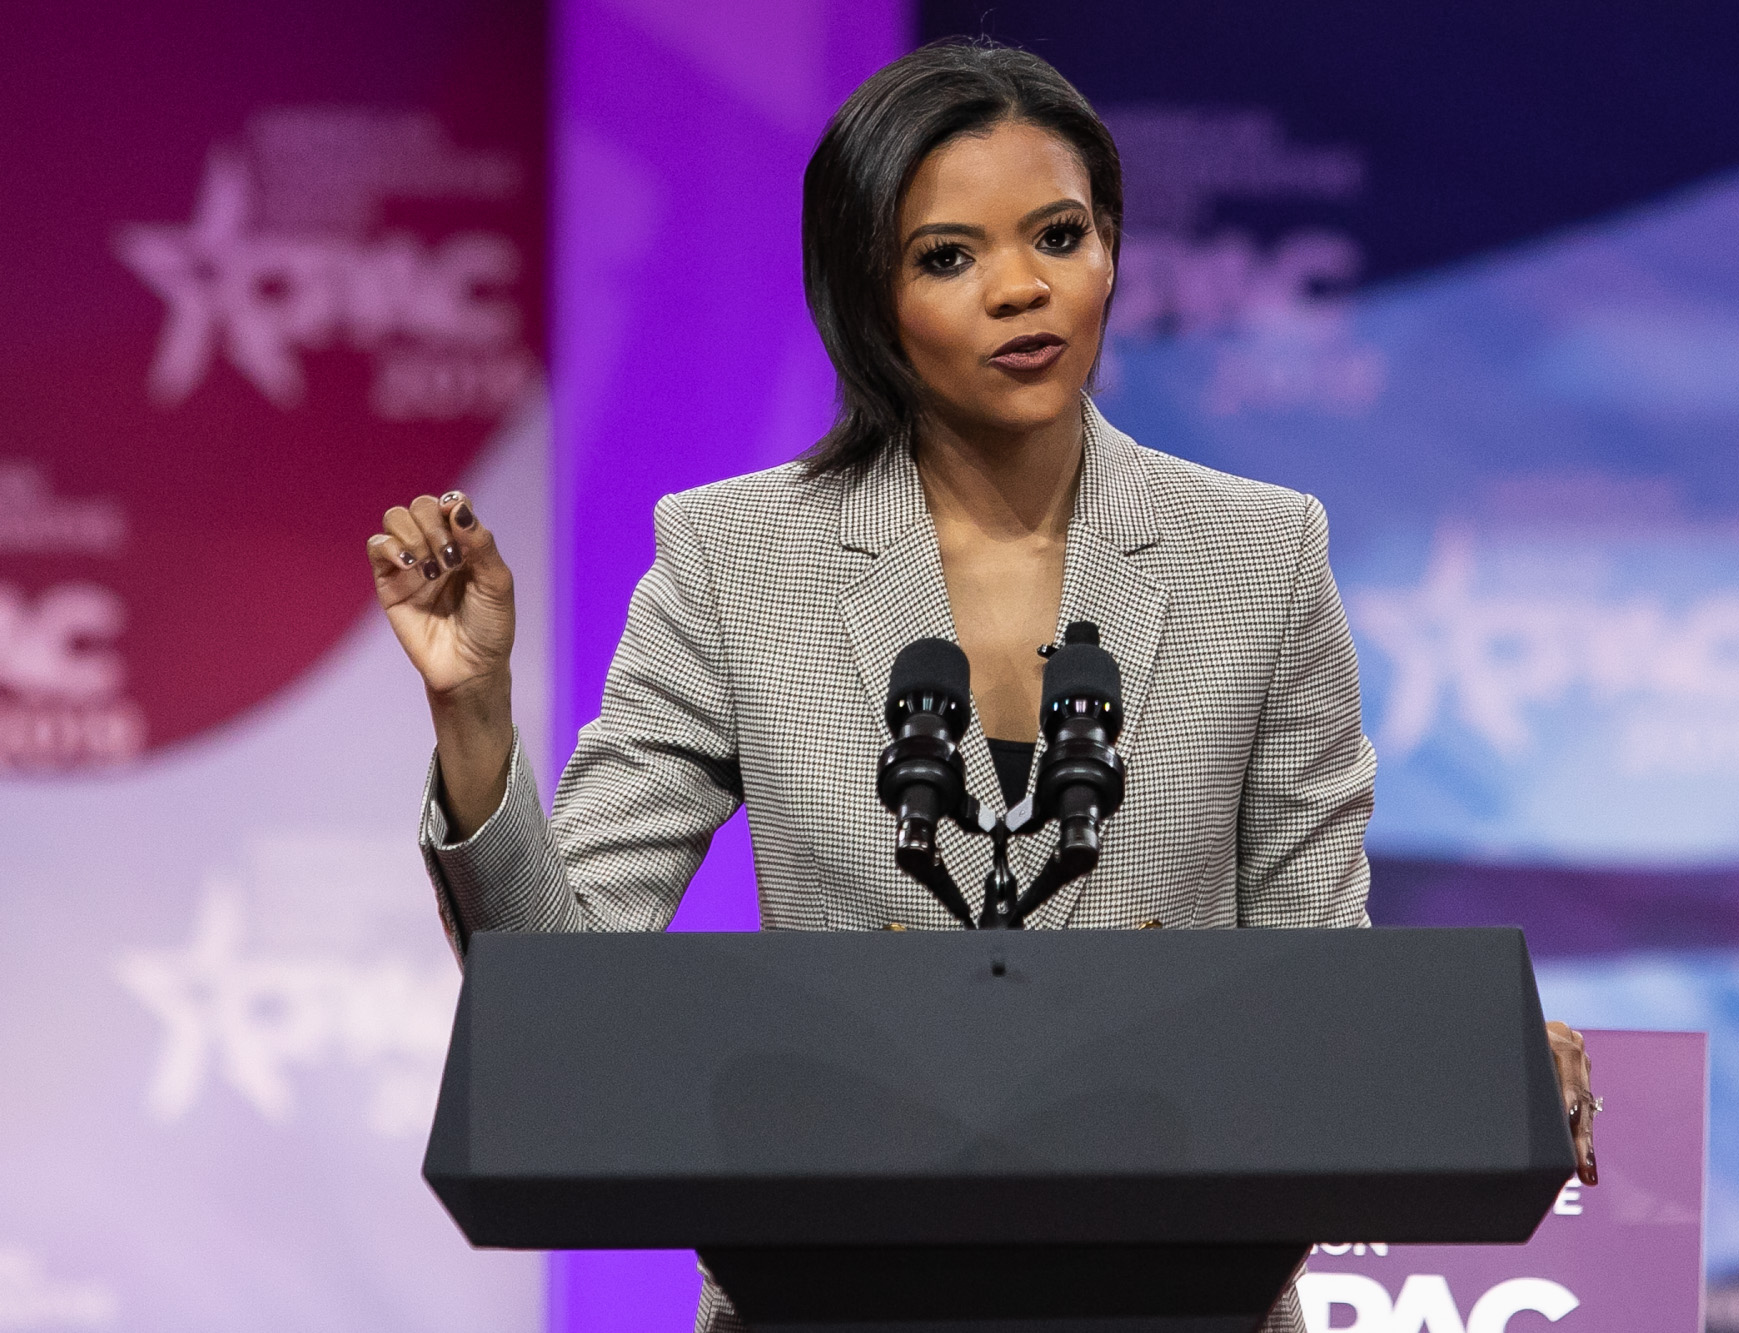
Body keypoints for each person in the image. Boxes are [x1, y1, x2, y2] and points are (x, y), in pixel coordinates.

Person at [367, 38, 1598, 1333]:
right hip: (829, 1292)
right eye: (949, 257)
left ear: (1112, 251)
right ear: (868, 296)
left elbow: (1311, 985)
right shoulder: (736, 558)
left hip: (1177, 1293)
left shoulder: (1261, 552)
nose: (1023, 288)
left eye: (1059, 236)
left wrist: (1479, 1060)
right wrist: (476, 715)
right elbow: (564, 999)